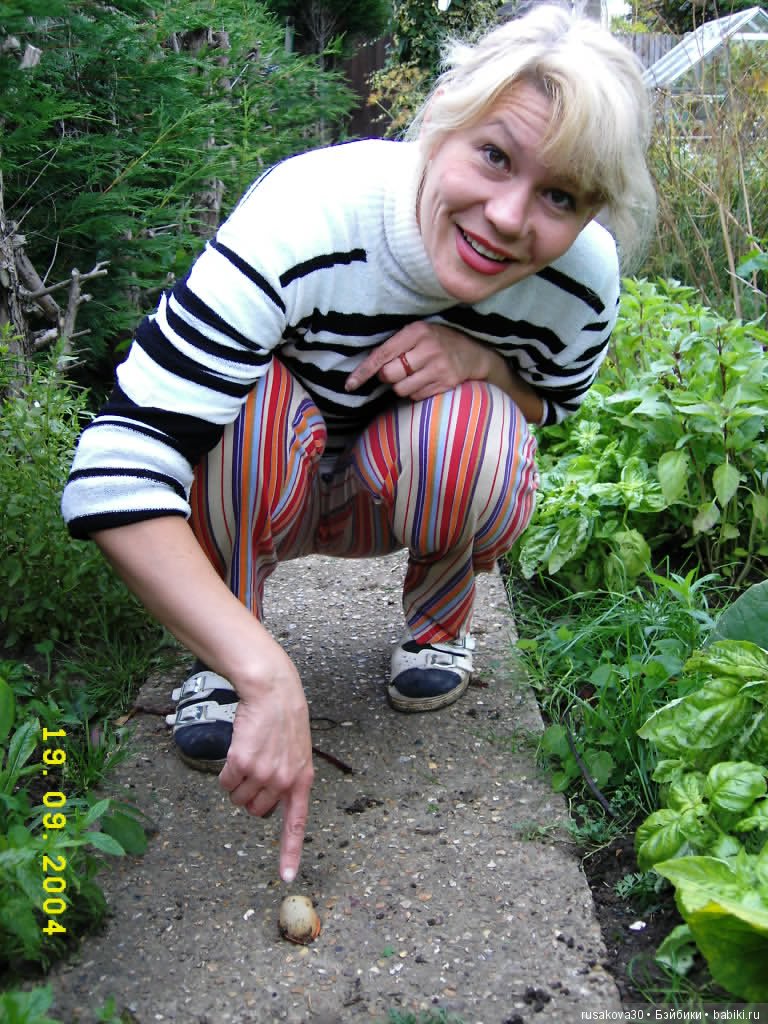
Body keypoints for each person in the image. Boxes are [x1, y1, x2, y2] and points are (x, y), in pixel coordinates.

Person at [61, 3, 656, 884]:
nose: (507, 217)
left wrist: (484, 363)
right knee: (238, 403)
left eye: (560, 196)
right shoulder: (308, 210)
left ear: (593, 209)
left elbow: (553, 404)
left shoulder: (581, 279)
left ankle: (439, 625)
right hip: (268, 476)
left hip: (395, 484)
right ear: (443, 115)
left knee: (481, 425)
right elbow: (116, 464)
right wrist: (267, 672)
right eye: (494, 155)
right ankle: (225, 651)